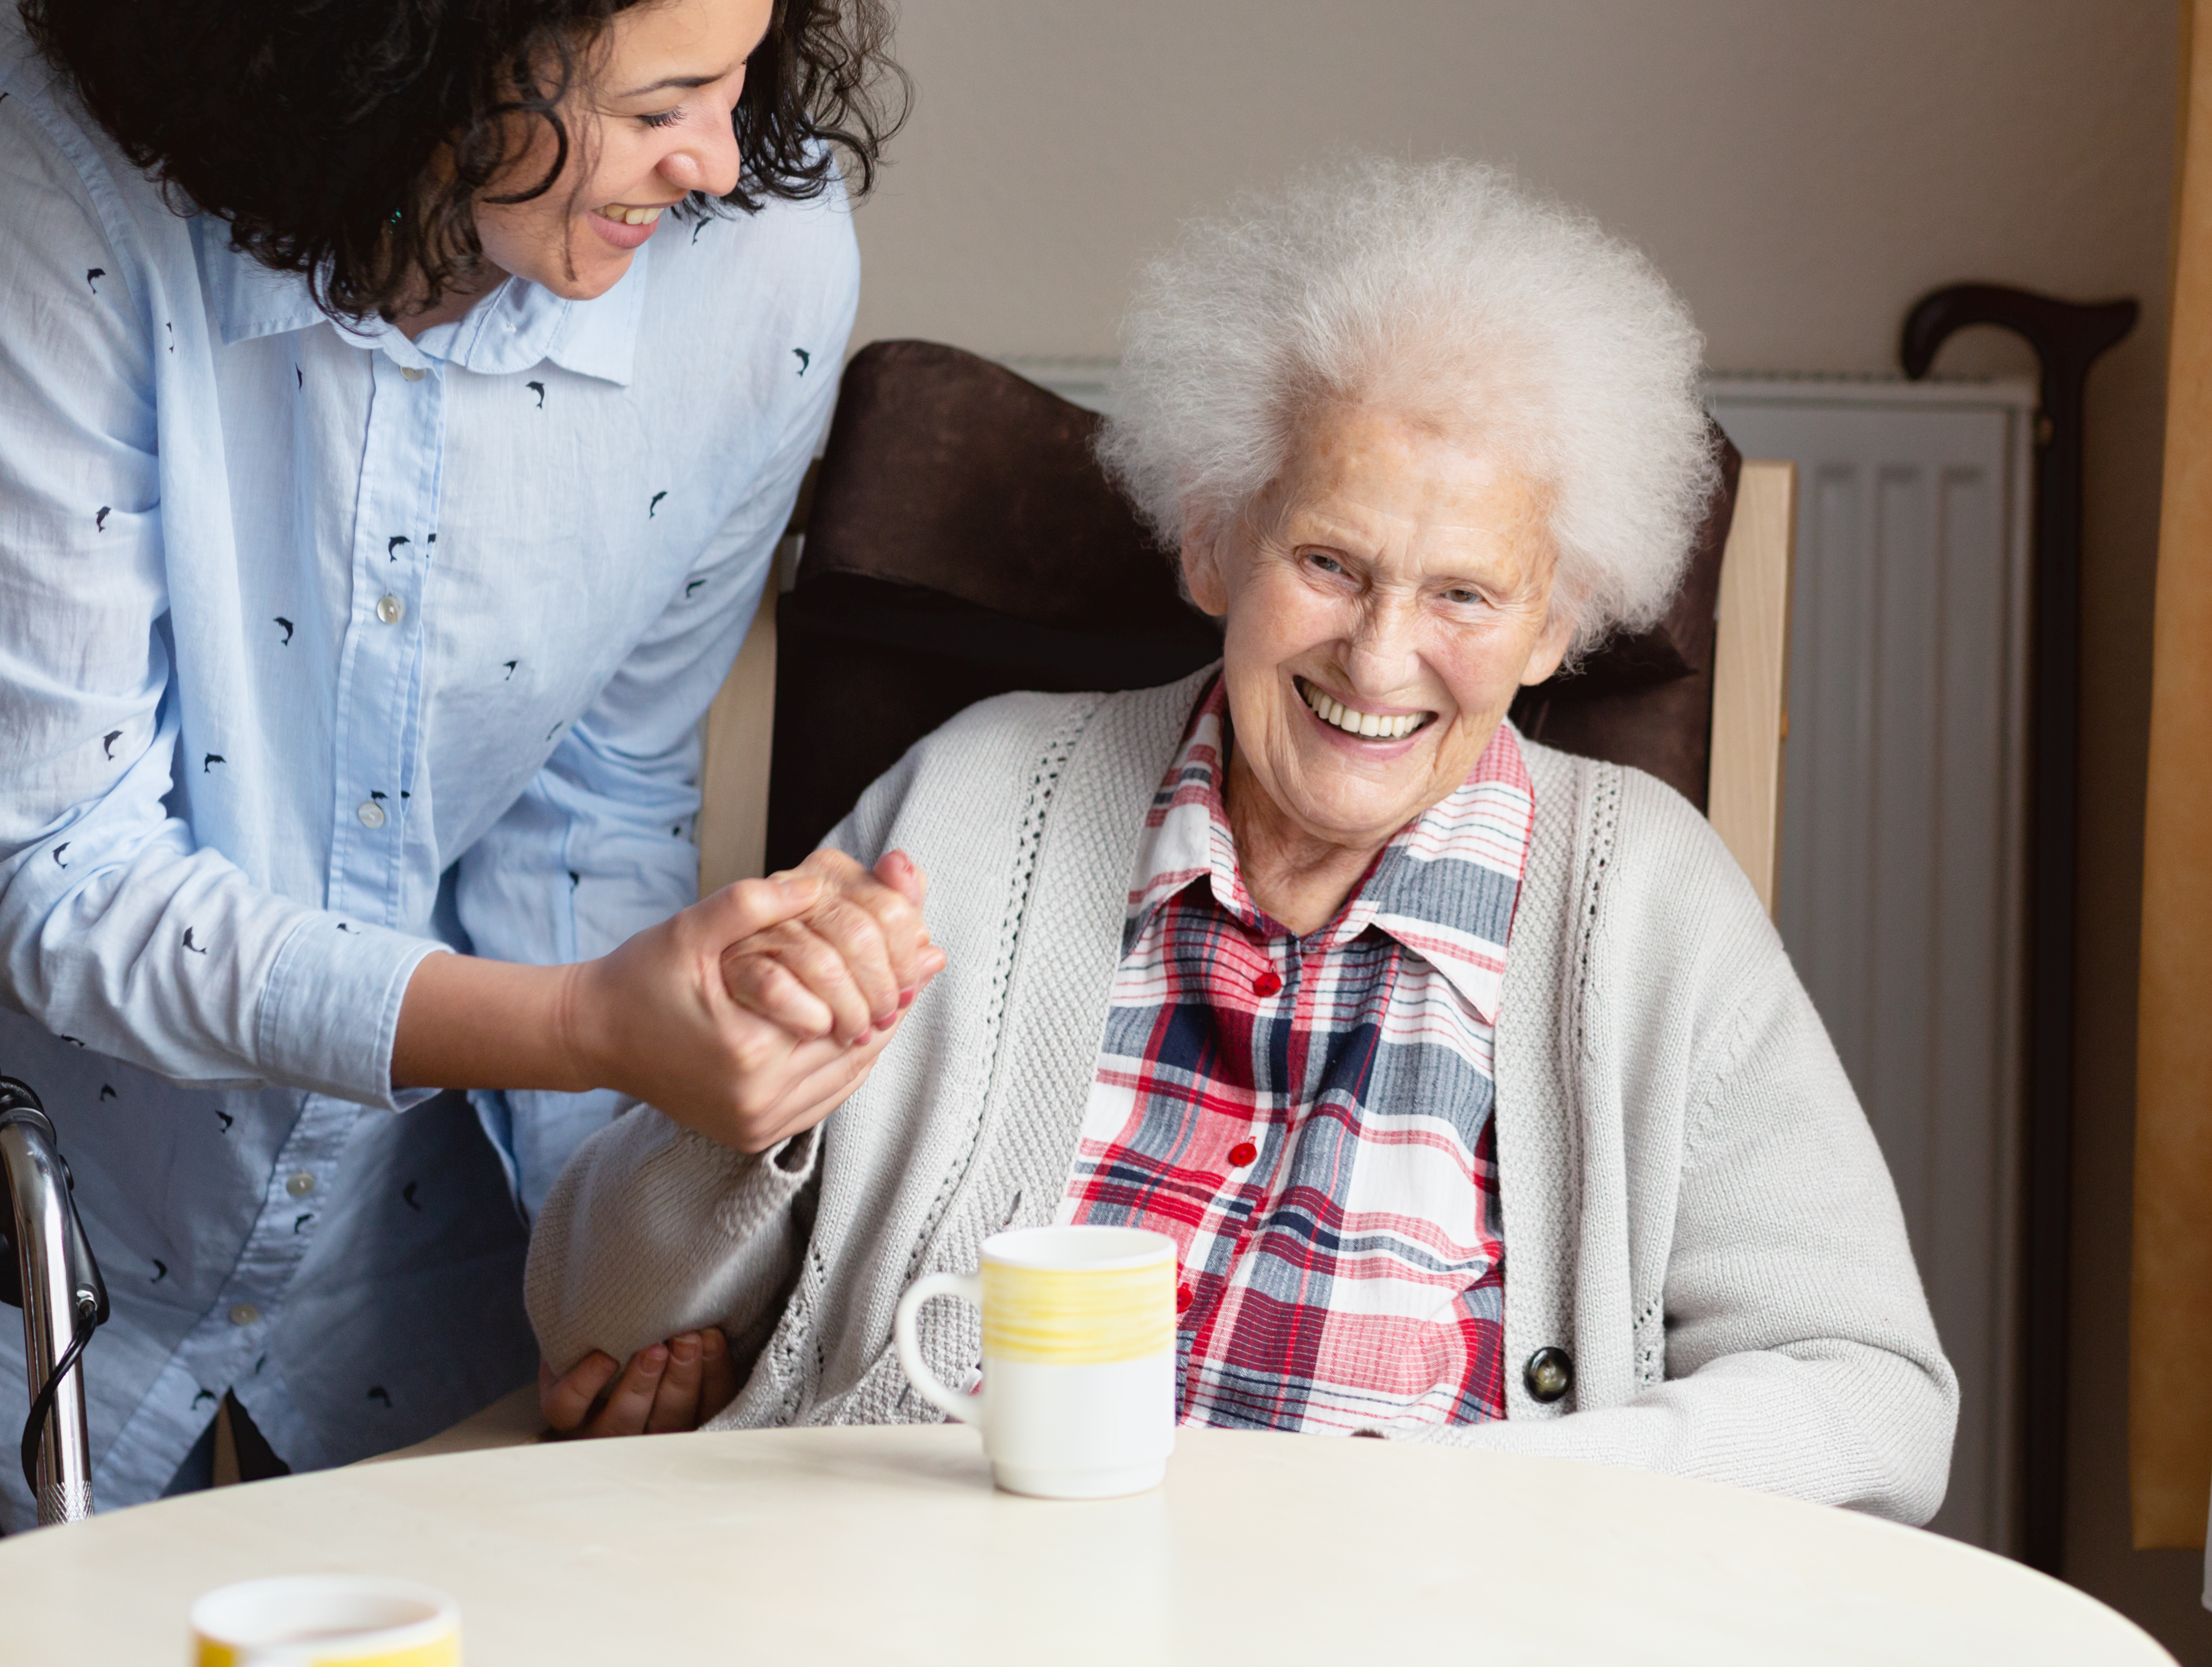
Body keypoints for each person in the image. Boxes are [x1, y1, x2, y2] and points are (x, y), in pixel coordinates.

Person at [529, 158, 1958, 1520]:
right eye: (1329, 563)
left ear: (1558, 623)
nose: (1382, 659)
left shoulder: (1645, 906)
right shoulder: (974, 800)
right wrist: (746, 1095)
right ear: (1216, 539)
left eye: (1466, 593)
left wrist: (1525, 1501)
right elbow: (587, 1321)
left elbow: (1873, 1400)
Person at [0, 0, 935, 1520]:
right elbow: (59, 871)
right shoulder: (65, 188)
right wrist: (589, 1022)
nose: (718, 159)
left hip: (421, 1260)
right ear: (421, 47)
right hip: (52, 1209)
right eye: (662, 94)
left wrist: (625, 1265)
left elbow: (595, 799)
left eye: (742, 74)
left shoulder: (756, 264)